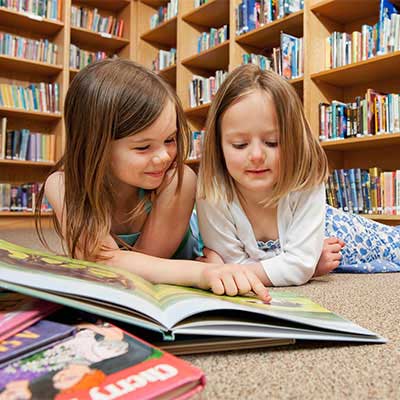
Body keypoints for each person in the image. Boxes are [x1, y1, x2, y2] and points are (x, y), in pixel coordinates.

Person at [35, 58, 271, 300]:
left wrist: (206, 270)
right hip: (198, 268)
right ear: (94, 146)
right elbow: (105, 263)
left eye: (170, 140)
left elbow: (142, 266)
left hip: (209, 251)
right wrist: (202, 273)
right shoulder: (63, 185)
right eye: (143, 147)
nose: (163, 157)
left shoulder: (179, 180)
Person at [196, 64, 400, 287]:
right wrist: (300, 265)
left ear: (294, 141)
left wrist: (301, 267)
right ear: (218, 145)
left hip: (335, 231)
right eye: (239, 144)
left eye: (272, 142)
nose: (256, 155)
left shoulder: (306, 182)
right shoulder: (211, 193)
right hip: (309, 249)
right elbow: (234, 268)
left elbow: (236, 269)